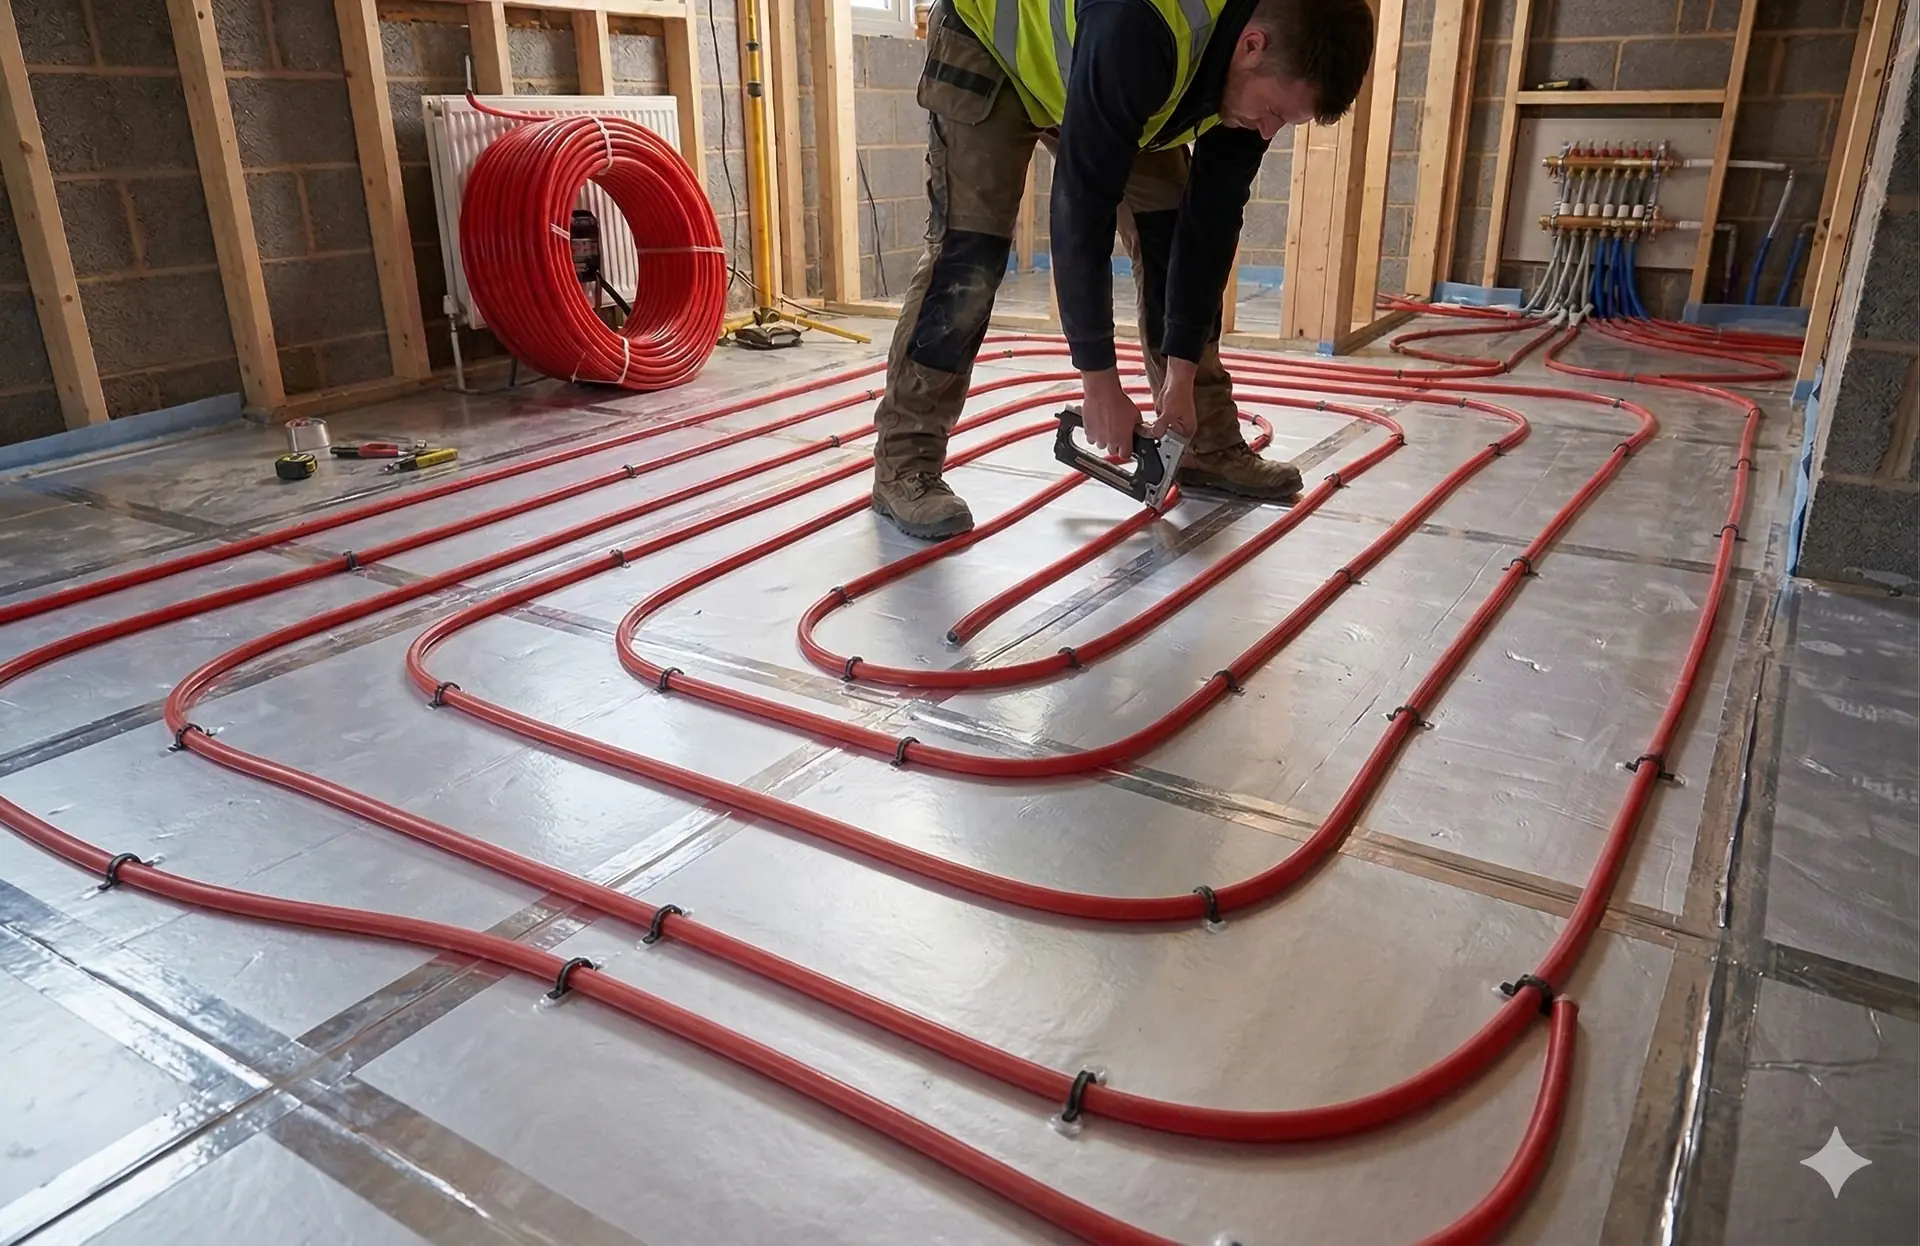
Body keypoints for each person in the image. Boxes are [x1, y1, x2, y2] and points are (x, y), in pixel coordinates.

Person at [868, 0, 1377, 540]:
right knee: (970, 256)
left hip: (1112, 73)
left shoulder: (1253, 67)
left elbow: (1206, 230)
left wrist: (1180, 375)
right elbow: (1081, 203)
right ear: (1252, 46)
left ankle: (1200, 440)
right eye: (1272, 110)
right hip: (994, 49)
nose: (1268, 130)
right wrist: (1098, 379)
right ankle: (905, 465)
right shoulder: (1140, 24)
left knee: (1169, 232)